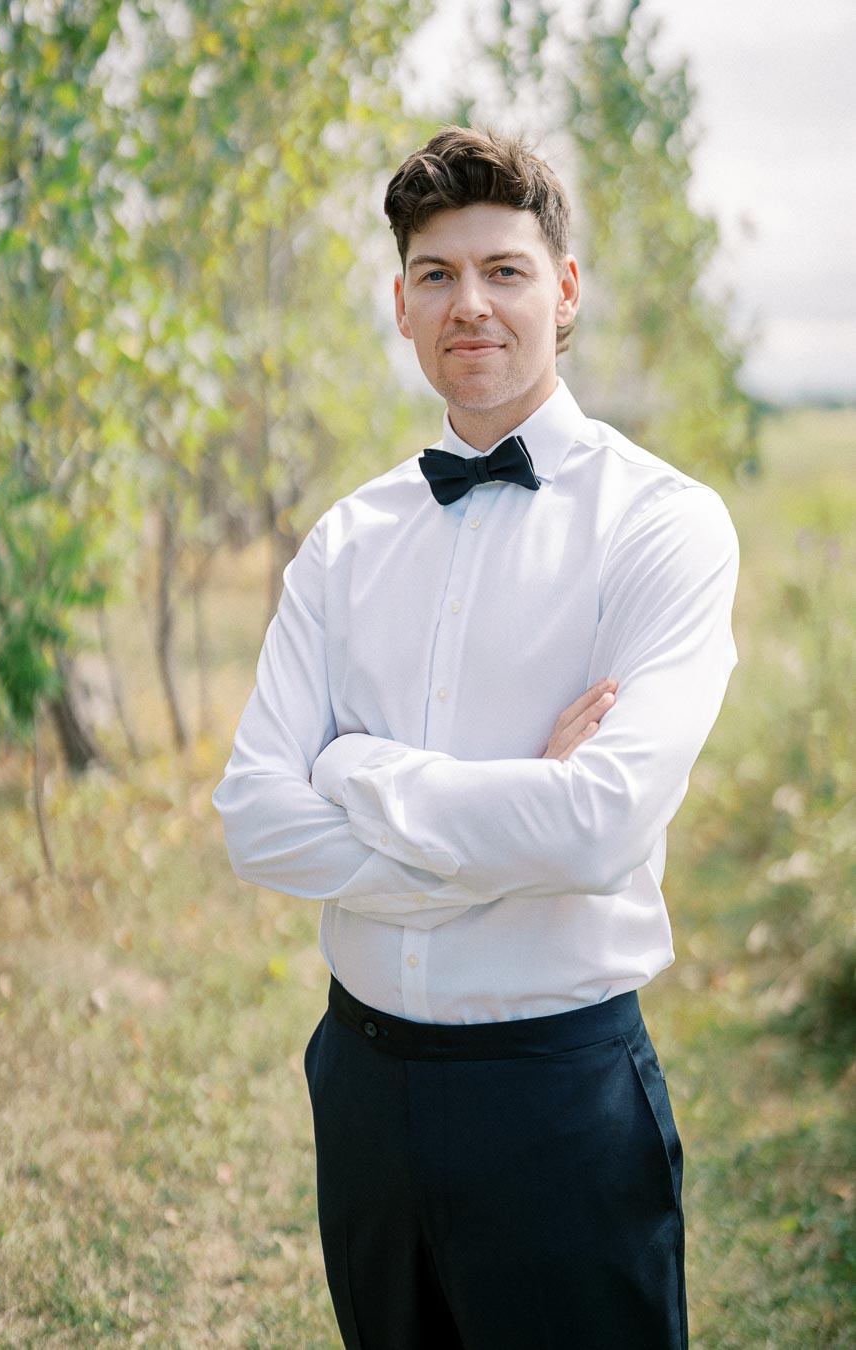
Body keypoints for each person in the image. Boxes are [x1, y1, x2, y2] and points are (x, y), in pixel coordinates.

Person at [213, 125, 739, 1350]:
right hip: (362, 1092)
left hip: (559, 1102)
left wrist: (353, 772)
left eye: (504, 270)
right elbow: (253, 819)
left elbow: (601, 822)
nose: (472, 305)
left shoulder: (663, 526)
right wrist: (513, 818)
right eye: (439, 276)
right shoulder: (345, 542)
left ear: (563, 289)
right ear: (401, 306)